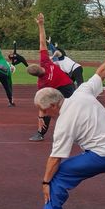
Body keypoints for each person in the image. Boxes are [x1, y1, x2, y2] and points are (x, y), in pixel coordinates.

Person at [26, 37, 105, 209]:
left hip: (100, 155)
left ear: (54, 105)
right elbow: (101, 72)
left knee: (59, 174)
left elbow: (55, 159)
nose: (43, 114)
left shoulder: (64, 123)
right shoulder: (82, 92)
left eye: (44, 110)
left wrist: (45, 182)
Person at [26, 13, 75, 142]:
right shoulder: (45, 61)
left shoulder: (42, 84)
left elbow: (42, 104)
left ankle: (40, 133)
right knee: (74, 107)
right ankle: (78, 130)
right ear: (37, 65)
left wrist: (40, 118)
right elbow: (42, 42)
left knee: (47, 108)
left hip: (59, 88)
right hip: (68, 85)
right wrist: (41, 25)